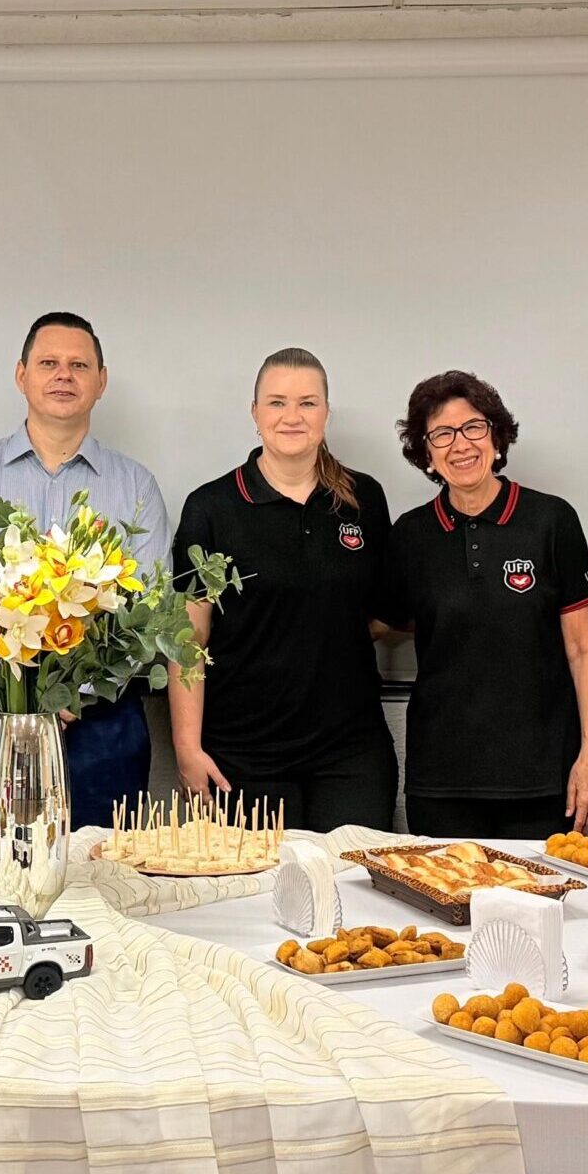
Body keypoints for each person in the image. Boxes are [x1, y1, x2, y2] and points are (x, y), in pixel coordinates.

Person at [0, 311, 170, 827]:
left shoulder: (136, 489)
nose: (63, 375)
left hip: (102, 725)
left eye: (79, 365)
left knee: (104, 886)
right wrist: (23, 701)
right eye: (49, 363)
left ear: (101, 381)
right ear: (22, 375)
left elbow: (147, 615)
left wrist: (68, 697)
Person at [168, 348, 396, 831]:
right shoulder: (211, 508)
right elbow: (188, 642)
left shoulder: (364, 499)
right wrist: (188, 751)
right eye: (276, 402)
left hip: (351, 754)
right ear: (255, 413)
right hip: (243, 756)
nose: (292, 416)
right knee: (253, 899)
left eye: (308, 403)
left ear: (326, 413)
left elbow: (381, 614)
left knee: (352, 892)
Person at [381, 371, 588, 840]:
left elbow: (583, 649)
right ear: (426, 454)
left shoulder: (551, 520)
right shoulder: (410, 536)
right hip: (442, 783)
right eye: (442, 434)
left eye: (474, 428)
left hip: (543, 780)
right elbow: (382, 624)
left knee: (540, 910)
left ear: (497, 437)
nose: (460, 445)